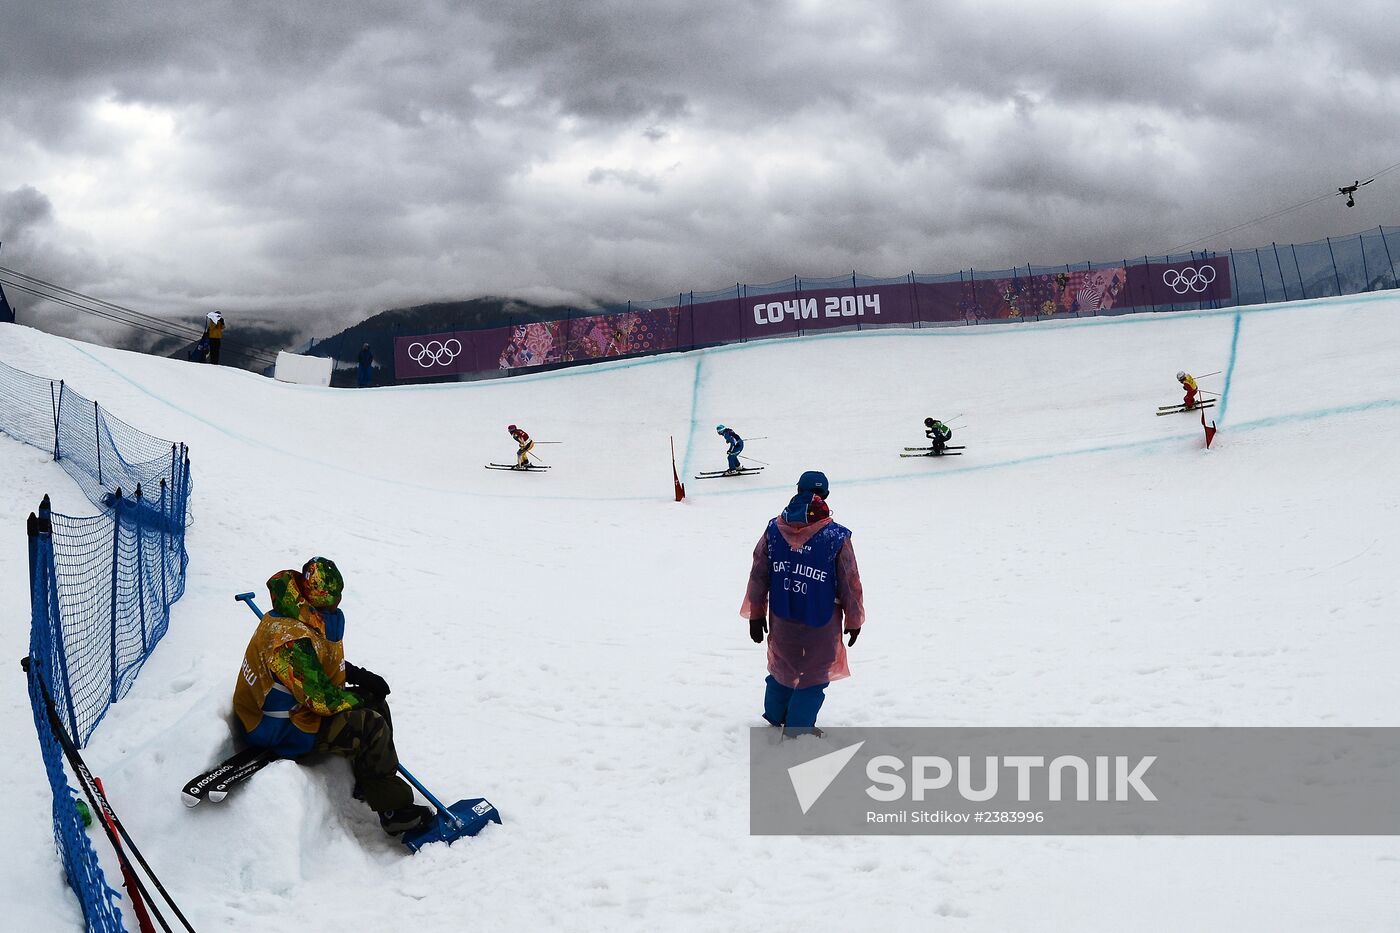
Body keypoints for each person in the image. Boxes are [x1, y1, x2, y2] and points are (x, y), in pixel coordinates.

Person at [231, 557, 432, 836]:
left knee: (374, 702)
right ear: (317, 597)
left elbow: (316, 662)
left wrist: (357, 676)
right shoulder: (289, 639)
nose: (338, 604)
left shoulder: (304, 619)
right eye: (333, 598)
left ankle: (371, 781)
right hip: (276, 725)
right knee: (369, 724)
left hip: (296, 705)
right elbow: (321, 701)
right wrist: (359, 700)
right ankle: (395, 813)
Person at [741, 471, 865, 737]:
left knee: (783, 665)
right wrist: (854, 619)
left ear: (797, 490)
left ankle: (777, 715)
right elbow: (849, 581)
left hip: (782, 616)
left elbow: (759, 572)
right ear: (827, 496)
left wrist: (756, 613)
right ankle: (798, 729)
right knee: (814, 674)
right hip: (820, 619)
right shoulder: (835, 536)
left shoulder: (774, 529)